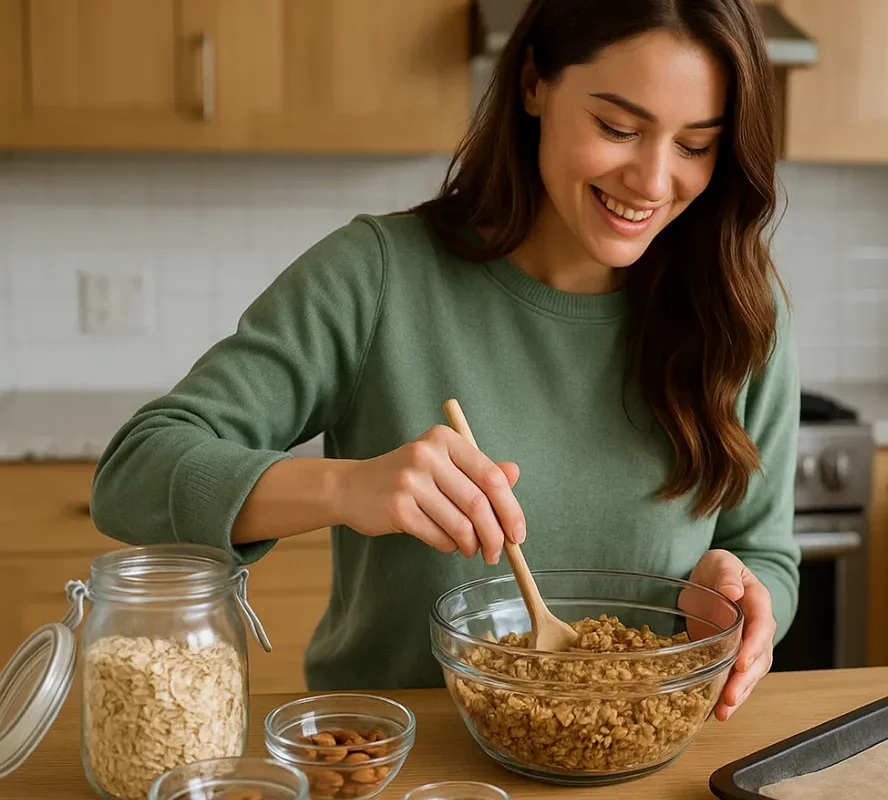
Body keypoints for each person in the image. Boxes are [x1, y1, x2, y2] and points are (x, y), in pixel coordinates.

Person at [89, 0, 799, 722]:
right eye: (618, 128)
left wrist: (738, 594)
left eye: (696, 145)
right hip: (395, 764)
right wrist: (346, 488)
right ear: (532, 85)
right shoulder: (376, 276)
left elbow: (765, 551)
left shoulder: (738, 307)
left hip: (644, 759)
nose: (652, 180)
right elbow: (132, 474)